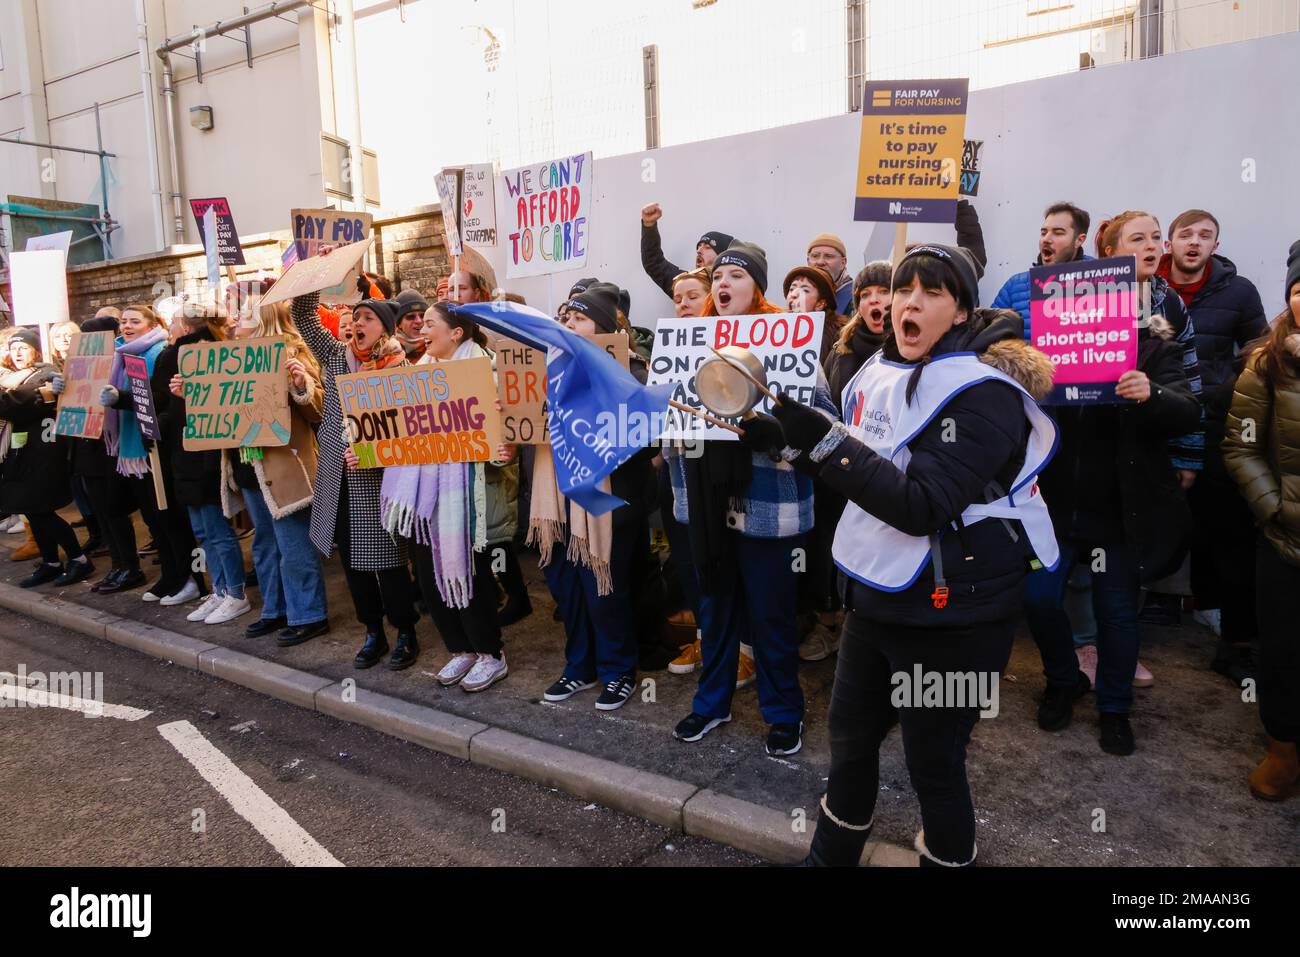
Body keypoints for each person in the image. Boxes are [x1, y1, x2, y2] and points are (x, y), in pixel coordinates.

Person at [760, 243, 1060, 867]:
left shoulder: (987, 393)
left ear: (960, 312)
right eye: (902, 289)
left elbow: (922, 504)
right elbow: (863, 472)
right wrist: (789, 443)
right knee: (850, 746)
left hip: (961, 616)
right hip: (878, 600)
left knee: (935, 765)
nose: (909, 304)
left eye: (932, 292)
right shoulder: (879, 372)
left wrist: (824, 447)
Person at [1023, 220, 1203, 756]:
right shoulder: (1055, 329)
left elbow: (1191, 409)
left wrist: (1153, 394)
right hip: (1056, 505)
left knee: (1118, 614)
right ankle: (1062, 681)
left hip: (1120, 511)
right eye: (1139, 239)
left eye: (1156, 239)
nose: (1153, 247)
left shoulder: (1159, 338)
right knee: (1039, 598)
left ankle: (1114, 708)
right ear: (1105, 258)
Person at [667, 241, 837, 756]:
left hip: (769, 508)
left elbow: (828, 430)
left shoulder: (792, 345)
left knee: (771, 618)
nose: (724, 285)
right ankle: (711, 702)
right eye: (718, 277)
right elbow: (672, 428)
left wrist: (779, 435)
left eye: (737, 276)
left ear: (757, 288)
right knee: (715, 612)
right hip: (706, 511)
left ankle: (783, 712)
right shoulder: (686, 346)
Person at [1157, 209, 1268, 677]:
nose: (1195, 243)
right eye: (1186, 235)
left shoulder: (1238, 291)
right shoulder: (1146, 288)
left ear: (1215, 246)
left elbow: (1259, 348)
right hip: (1156, 414)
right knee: (1156, 512)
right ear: (1170, 241)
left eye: (1205, 236)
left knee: (1214, 521)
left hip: (1215, 422)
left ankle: (1212, 607)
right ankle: (1148, 604)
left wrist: (1225, 388)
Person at [536, 283, 657, 709]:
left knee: (605, 591)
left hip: (607, 503)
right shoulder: (545, 368)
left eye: (580, 318)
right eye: (566, 317)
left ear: (605, 328)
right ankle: (580, 667)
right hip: (558, 501)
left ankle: (618, 670)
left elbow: (649, 441)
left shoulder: (633, 371)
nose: (568, 324)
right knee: (569, 590)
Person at [388, 302, 516, 691]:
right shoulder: (417, 374)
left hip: (470, 495)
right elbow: (399, 431)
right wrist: (364, 449)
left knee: (470, 575)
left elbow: (506, 433)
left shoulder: (486, 372)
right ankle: (460, 649)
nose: (420, 330)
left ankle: (490, 653)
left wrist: (504, 446)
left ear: (456, 333)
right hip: (426, 497)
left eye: (429, 324)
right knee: (429, 578)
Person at [292, 280, 420, 669]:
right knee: (351, 559)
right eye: (353, 318)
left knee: (388, 560)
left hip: (376, 479)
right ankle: (372, 631)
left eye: (366, 318)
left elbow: (407, 429)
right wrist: (318, 272)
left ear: (385, 327)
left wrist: (371, 452)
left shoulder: (400, 369)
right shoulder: (336, 357)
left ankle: (405, 632)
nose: (355, 324)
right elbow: (302, 316)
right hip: (337, 474)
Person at [1221, 241, 1300, 801]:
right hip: (1287, 542)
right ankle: (1283, 749)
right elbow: (1242, 446)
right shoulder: (1269, 364)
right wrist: (1276, 507)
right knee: (1284, 650)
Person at [217, 297, 330, 644]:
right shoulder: (229, 360)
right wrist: (190, 392)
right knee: (265, 546)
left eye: (244, 313)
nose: (235, 319)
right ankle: (276, 610)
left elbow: (318, 410)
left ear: (264, 317)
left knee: (294, 545)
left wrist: (300, 386)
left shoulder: (294, 352)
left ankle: (309, 614)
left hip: (284, 466)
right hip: (248, 465)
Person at [98, 304, 203, 605]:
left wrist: (121, 398)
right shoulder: (121, 355)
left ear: (151, 324)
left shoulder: (159, 354)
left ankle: (187, 578)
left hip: (157, 447)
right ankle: (170, 575)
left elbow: (159, 400)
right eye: (123, 322)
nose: (127, 326)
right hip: (132, 446)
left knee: (169, 518)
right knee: (153, 519)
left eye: (134, 321)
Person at [162, 304, 248, 624]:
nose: (169, 329)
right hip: (186, 453)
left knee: (216, 528)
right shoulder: (179, 355)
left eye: (173, 323)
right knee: (203, 530)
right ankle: (220, 588)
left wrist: (189, 396)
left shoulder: (209, 354)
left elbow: (220, 406)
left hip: (207, 456)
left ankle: (235, 593)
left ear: (186, 327)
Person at [51, 313, 146, 593]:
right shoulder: (79, 364)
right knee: (102, 510)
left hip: (108, 446)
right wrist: (62, 388)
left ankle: (130, 567)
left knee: (114, 509)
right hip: (86, 444)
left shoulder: (119, 362)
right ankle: (118, 565)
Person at [0, 328, 93, 588]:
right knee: (31, 510)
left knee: (42, 510)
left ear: (35, 351)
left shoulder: (47, 373)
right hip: (20, 455)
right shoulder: (15, 378)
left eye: (23, 348)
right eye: (13, 348)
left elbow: (11, 406)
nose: (17, 353)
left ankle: (79, 559)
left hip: (44, 454)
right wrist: (34, 396)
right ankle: (51, 562)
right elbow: (18, 403)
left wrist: (31, 397)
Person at [992, 202, 1092, 339]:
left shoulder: (1102, 282)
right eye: (1044, 232)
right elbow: (989, 339)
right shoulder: (1015, 286)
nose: (1046, 239)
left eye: (1058, 233)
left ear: (1079, 240)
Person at [825, 260, 892, 408]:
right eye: (865, 295)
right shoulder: (840, 349)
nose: (873, 300)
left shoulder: (912, 351)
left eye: (884, 291)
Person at [639, 202, 732, 298]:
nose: (699, 251)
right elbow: (654, 263)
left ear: (723, 256)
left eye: (708, 247)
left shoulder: (736, 286)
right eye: (699, 247)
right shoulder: (686, 283)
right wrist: (649, 226)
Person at [784, 264, 845, 366]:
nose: (793, 294)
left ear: (820, 304)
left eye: (805, 290)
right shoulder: (775, 333)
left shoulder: (838, 339)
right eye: (792, 289)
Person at [806, 233, 855, 315]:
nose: (820, 262)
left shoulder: (856, 296)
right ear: (808, 260)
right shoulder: (799, 297)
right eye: (815, 256)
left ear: (843, 263)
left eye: (828, 256)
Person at [393, 288, 428, 362]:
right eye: (410, 317)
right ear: (399, 324)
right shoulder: (388, 353)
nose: (418, 321)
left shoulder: (438, 349)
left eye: (422, 315)